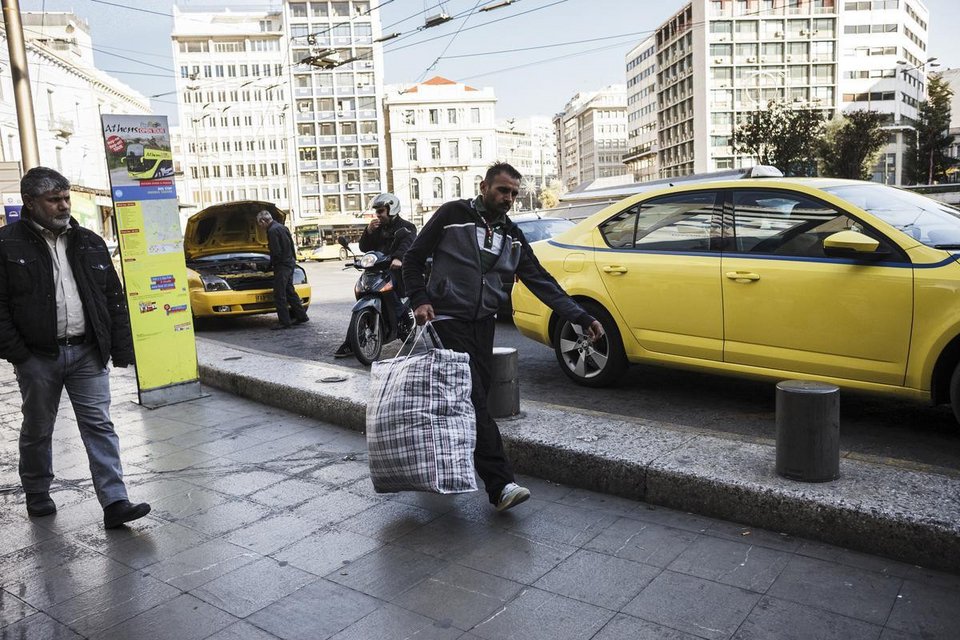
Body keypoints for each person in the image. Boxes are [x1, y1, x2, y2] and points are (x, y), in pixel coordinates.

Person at [403, 162, 604, 512]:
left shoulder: (511, 233)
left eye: (513, 192)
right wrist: (420, 299)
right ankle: (500, 485)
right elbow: (413, 257)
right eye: (502, 190)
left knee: (463, 400)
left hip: (483, 323)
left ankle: (437, 462)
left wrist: (579, 315)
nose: (508, 197)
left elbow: (539, 279)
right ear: (484, 187)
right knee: (475, 398)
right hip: (447, 318)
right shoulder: (453, 214)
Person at [0, 166, 150, 528]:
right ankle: (37, 491)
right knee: (38, 427)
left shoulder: (89, 241)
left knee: (99, 424)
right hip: (38, 356)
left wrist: (122, 349)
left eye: (66, 198)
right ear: (30, 203)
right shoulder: (6, 243)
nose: (63, 206)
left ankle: (115, 501)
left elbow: (113, 297)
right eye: (54, 200)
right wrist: (19, 354)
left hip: (87, 352)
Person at [333, 193, 416, 358]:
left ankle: (405, 318)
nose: (378, 215)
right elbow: (365, 248)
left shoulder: (406, 227)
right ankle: (353, 341)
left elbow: (408, 243)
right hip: (377, 268)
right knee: (363, 288)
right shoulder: (377, 228)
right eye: (377, 212)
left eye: (381, 211)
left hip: (396, 269)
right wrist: (369, 231)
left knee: (393, 291)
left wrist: (398, 258)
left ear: (392, 209)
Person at [256, 210, 309, 330]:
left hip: (282, 265)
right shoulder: (282, 227)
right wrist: (293, 261)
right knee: (289, 291)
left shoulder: (272, 231)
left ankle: (284, 322)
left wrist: (269, 267)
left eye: (260, 224)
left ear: (263, 221)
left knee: (279, 294)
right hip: (290, 263)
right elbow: (291, 245)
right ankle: (302, 316)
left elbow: (276, 252)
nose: (260, 227)